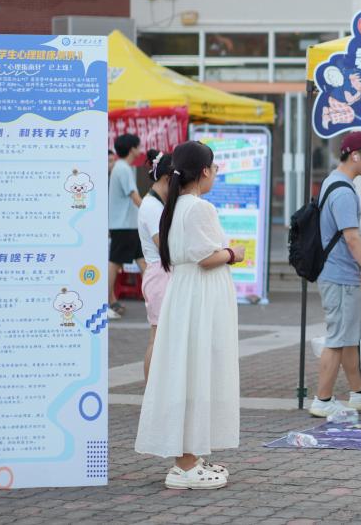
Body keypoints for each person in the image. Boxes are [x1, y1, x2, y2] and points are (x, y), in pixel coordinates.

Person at [135, 141, 244, 490]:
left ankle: (191, 457)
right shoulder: (198, 207)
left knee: (191, 371)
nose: (215, 174)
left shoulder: (174, 206)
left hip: (188, 295)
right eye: (214, 168)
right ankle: (184, 463)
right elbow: (205, 257)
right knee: (195, 372)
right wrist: (233, 253)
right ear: (204, 171)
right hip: (199, 297)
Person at [310, 131, 361, 418]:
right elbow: (352, 238)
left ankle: (358, 393)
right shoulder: (343, 192)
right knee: (337, 338)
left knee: (348, 336)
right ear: (355, 155)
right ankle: (322, 399)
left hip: (339, 273)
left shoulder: (333, 181)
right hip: (339, 275)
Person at [137, 149, 173, 380]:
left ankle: (155, 388)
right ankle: (151, 388)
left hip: (161, 273)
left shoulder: (155, 204)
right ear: (167, 178)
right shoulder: (152, 206)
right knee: (157, 336)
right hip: (159, 275)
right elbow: (164, 245)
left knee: (160, 335)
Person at [108, 134, 145, 319]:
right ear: (132, 149)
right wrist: (150, 212)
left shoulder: (122, 167)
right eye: (138, 146)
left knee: (143, 261)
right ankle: (106, 301)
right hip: (123, 225)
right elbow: (134, 196)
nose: (140, 149)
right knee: (115, 263)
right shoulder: (123, 168)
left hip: (128, 224)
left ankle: (158, 299)